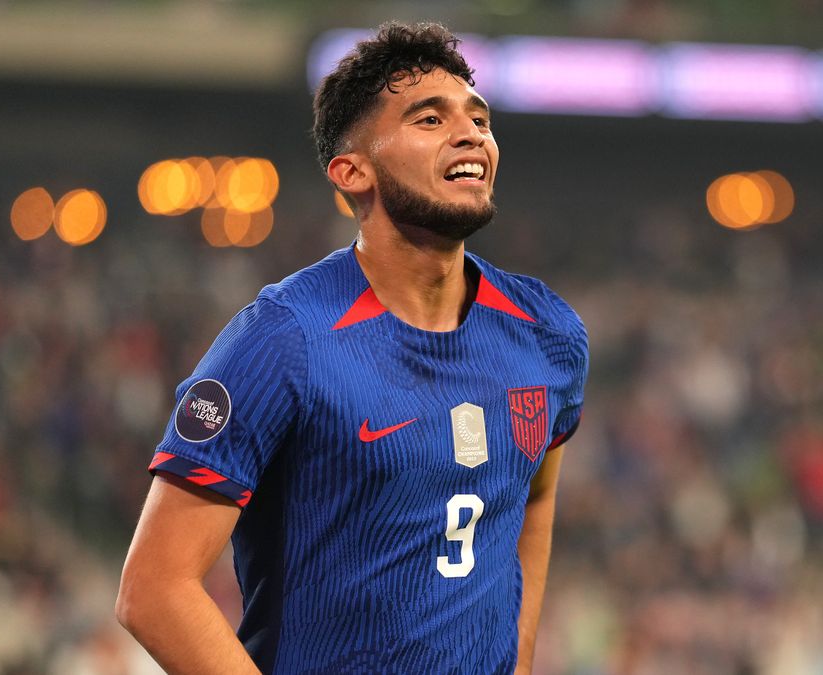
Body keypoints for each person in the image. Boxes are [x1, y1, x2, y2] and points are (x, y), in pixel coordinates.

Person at [116, 21, 588, 674]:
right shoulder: (282, 339)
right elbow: (154, 589)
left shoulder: (548, 333)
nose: (471, 134)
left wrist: (519, 659)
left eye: (479, 119)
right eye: (430, 119)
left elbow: (532, 500)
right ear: (352, 171)